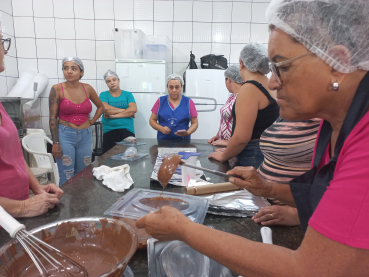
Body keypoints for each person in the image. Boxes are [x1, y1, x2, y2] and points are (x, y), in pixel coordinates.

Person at [137, 1, 369, 275]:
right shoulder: (333, 125)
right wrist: (269, 189)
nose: (272, 82)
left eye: (281, 66)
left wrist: (183, 229)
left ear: (338, 63)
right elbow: (327, 193)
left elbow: (308, 269)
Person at [0, 30, 63, 218]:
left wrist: (37, 188)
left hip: (14, 212)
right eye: (1, 43)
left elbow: (15, 156)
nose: (5, 51)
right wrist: (23, 208)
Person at [209, 42, 279, 168]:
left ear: (241, 63)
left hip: (252, 155)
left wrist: (224, 156)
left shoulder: (249, 88)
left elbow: (241, 138)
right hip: (268, 153)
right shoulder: (270, 85)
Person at [252, 117, 321, 226]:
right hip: (266, 202)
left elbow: (342, 195)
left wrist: (298, 214)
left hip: (296, 210)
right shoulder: (287, 113)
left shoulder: (330, 123)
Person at [49, 57, 104, 185]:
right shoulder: (57, 89)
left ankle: (80, 204)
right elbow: (52, 117)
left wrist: (92, 121)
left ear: (81, 72)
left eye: (74, 69)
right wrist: (55, 142)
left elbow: (101, 107)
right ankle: (66, 204)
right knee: (67, 174)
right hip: (65, 135)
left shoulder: (88, 88)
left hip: (85, 136)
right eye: (65, 68)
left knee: (84, 174)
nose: (69, 71)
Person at [149, 74, 198, 139]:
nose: (174, 90)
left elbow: (195, 122)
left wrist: (188, 132)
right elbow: (152, 120)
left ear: (181, 87)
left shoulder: (188, 102)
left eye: (177, 87)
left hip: (184, 141)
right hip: (163, 141)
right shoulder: (160, 101)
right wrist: (161, 128)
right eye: (171, 87)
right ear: (167, 87)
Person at [99, 70, 137, 153]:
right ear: (106, 83)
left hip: (127, 130)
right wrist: (125, 111)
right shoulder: (103, 95)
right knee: (109, 160)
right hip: (109, 131)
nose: (112, 82)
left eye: (114, 80)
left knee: (129, 158)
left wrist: (114, 115)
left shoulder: (128, 94)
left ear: (118, 80)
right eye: (109, 81)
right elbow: (105, 108)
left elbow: (133, 109)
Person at [207, 65, 242, 147]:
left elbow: (243, 126)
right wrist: (217, 135)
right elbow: (225, 119)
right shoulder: (232, 96)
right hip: (224, 144)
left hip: (233, 146)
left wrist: (228, 142)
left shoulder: (242, 96)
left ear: (229, 79)